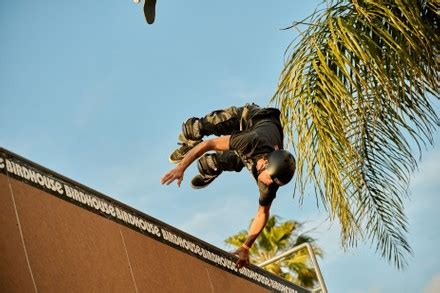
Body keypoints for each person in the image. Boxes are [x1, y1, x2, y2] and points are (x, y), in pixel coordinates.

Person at [160, 103, 296, 268]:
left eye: (272, 182)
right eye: (268, 178)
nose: (267, 183)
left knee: (207, 164)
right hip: (248, 119)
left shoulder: (271, 183)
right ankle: (190, 142)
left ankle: (212, 167)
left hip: (249, 151)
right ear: (266, 163)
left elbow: (262, 214)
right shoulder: (250, 141)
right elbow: (208, 144)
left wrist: (246, 246)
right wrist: (181, 167)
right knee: (193, 128)